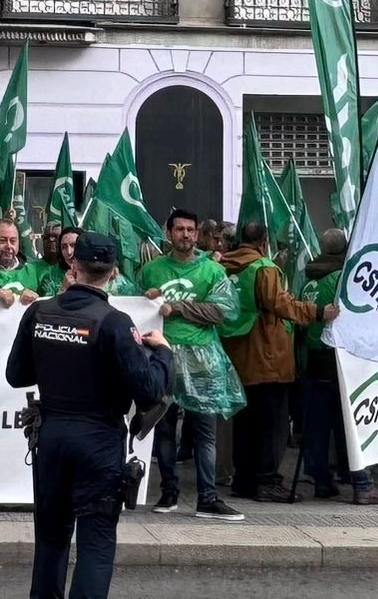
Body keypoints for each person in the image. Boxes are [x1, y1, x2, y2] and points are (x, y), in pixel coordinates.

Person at [6, 230, 171, 599]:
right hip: (98, 439)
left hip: (51, 437)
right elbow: (149, 391)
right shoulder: (114, 322)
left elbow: (16, 375)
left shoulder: (39, 311)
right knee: (96, 541)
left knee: (51, 539)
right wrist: (163, 353)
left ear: (73, 265)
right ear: (113, 271)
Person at [138, 208, 245, 522]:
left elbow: (223, 311)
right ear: (169, 233)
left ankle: (207, 499)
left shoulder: (212, 270)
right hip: (163, 358)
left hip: (202, 361)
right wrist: (147, 300)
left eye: (190, 230)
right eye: (179, 229)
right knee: (164, 430)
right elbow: (135, 309)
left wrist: (178, 307)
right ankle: (168, 493)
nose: (185, 235)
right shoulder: (151, 271)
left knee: (205, 434)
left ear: (197, 234)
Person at [218, 220, 330, 504]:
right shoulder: (264, 268)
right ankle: (267, 480)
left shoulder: (225, 267)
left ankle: (244, 480)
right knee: (271, 425)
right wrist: (317, 312)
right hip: (268, 358)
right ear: (264, 242)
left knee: (245, 424)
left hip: (239, 356)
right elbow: (279, 304)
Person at [299, 229, 378, 505]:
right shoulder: (343, 279)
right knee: (351, 423)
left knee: (318, 425)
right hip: (338, 360)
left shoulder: (309, 281)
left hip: (313, 360)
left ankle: (322, 481)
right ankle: (361, 483)